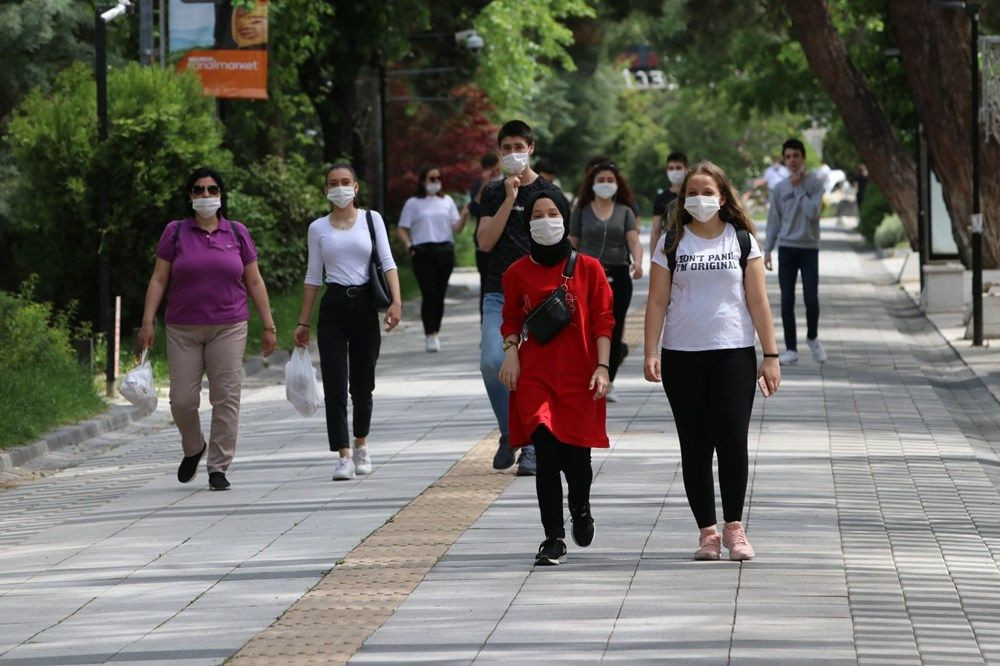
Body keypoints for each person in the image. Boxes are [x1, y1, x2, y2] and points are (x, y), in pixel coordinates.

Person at [643, 161, 781, 561]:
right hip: (682, 355)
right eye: (692, 193)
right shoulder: (671, 241)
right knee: (696, 446)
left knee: (733, 441)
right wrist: (651, 351)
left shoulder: (741, 241)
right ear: (682, 199)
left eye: (707, 192)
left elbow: (758, 301)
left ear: (722, 197)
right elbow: (656, 301)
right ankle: (707, 532)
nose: (699, 199)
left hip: (734, 353)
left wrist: (770, 356)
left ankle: (735, 528)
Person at [139, 166, 277, 491]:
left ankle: (218, 466)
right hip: (182, 328)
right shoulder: (175, 232)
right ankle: (194, 446)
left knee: (226, 396)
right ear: (190, 196)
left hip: (229, 326)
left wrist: (269, 325)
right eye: (199, 190)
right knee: (182, 401)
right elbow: (159, 278)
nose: (205, 195)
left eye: (212, 190)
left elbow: (254, 280)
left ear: (220, 195)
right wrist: (147, 321)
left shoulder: (237, 232)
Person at [499, 190, 614, 566]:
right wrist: (511, 354)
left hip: (579, 377)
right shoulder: (515, 273)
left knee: (578, 462)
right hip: (536, 377)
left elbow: (603, 320)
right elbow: (511, 320)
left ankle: (580, 506)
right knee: (546, 457)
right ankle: (553, 537)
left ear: (565, 219)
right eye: (537, 214)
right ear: (527, 223)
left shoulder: (590, 268)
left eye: (552, 213)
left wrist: (602, 367)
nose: (545, 220)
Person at [293, 162, 403, 481]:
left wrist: (396, 302)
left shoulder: (372, 220)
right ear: (326, 190)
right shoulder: (318, 228)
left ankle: (361, 444)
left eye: (345, 181)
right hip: (333, 307)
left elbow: (387, 261)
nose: (339, 187)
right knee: (335, 382)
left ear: (355, 187)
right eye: (333, 182)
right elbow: (313, 277)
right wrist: (303, 322)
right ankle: (342, 454)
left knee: (363, 382)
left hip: (365, 305)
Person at [477, 120, 563, 475]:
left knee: (532, 372)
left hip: (540, 297)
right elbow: (484, 241)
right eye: (506, 148)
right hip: (498, 291)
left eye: (519, 146)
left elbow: (560, 243)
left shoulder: (548, 192)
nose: (513, 153)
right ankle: (510, 432)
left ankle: (531, 446)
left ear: (531, 148)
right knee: (492, 361)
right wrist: (509, 199)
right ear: (499, 152)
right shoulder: (494, 192)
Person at [569, 161, 643, 402]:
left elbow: (633, 241)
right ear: (592, 184)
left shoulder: (625, 211)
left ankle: (608, 380)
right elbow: (573, 241)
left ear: (617, 184)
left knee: (613, 327)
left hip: (619, 274)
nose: (605, 184)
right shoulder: (581, 210)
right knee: (586, 326)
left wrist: (638, 262)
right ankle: (586, 374)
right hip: (587, 275)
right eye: (600, 180)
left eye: (610, 180)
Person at [764, 138, 827, 366]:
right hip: (787, 248)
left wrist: (799, 187)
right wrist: (767, 250)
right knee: (787, 299)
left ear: (803, 157)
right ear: (784, 159)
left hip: (809, 248)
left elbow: (813, 214)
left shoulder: (816, 183)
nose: (792, 161)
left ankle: (812, 338)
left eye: (796, 156)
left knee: (811, 298)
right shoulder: (780, 188)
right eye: (788, 157)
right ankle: (790, 348)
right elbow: (774, 220)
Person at [397, 165, 464, 352]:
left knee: (440, 294)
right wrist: (408, 244)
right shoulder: (413, 203)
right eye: (431, 178)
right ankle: (430, 333)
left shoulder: (447, 201)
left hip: (444, 249)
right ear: (423, 180)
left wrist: (466, 213)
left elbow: (457, 227)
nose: (435, 182)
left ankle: (436, 330)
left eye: (438, 178)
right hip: (422, 251)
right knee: (429, 293)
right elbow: (402, 228)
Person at [463, 154, 502, 319]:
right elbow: (474, 209)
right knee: (486, 284)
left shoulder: (509, 182)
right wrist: (485, 184)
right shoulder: (478, 185)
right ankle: (484, 323)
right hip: (484, 241)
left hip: (504, 240)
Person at [649, 152, 689, 257]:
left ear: (686, 169)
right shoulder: (661, 198)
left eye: (678, 167)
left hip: (691, 247)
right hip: (669, 248)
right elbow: (655, 230)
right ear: (667, 171)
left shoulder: (693, 195)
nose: (674, 171)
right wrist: (653, 259)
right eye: (671, 168)